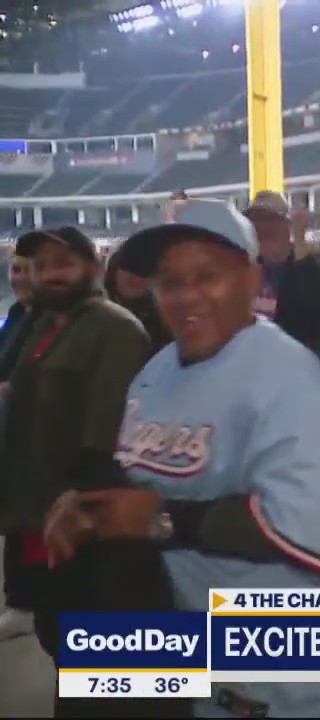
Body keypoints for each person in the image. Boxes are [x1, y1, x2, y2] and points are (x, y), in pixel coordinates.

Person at [45, 200, 320, 717]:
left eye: (206, 277)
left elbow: (296, 535)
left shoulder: (296, 386)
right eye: (170, 282)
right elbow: (141, 477)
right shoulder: (156, 373)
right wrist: (88, 505)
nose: (187, 297)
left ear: (251, 276)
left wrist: (156, 519)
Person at [0, 226, 156, 716]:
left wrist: (81, 510)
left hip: (79, 526)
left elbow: (108, 438)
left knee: (85, 651)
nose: (51, 274)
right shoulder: (44, 324)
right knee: (55, 633)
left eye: (63, 263)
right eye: (42, 265)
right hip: (34, 514)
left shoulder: (114, 328)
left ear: (94, 266)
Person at [244, 190, 320, 354]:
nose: (262, 228)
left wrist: (299, 238)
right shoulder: (244, 271)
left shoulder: (303, 267)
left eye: (270, 221)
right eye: (255, 222)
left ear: (285, 226)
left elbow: (313, 309)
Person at [0, 253, 36, 641]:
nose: (20, 278)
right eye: (15, 269)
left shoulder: (46, 320)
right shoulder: (16, 314)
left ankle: (24, 602)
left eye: (29, 269)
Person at [105, 250, 171, 352]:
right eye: (128, 267)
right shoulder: (97, 319)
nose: (135, 276)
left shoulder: (170, 324)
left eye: (144, 268)